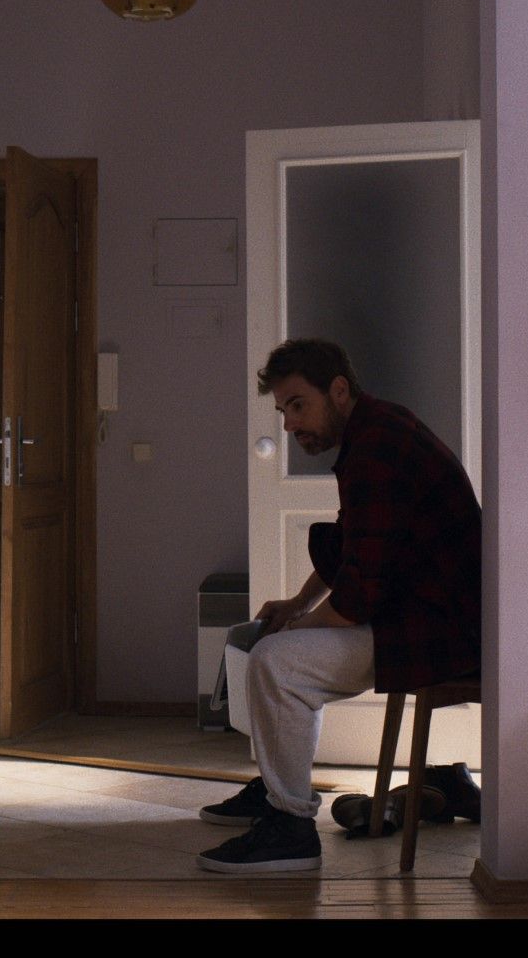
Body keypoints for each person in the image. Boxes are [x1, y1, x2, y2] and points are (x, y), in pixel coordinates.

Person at [197, 339, 482, 873]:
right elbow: (357, 546)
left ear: (339, 390)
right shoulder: (375, 432)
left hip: (439, 633)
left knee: (277, 661)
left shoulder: (377, 447)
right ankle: (278, 790)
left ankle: (289, 826)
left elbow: (357, 597)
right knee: (277, 646)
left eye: (297, 405)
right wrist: (296, 605)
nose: (289, 424)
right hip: (418, 616)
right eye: (283, 410)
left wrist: (300, 627)